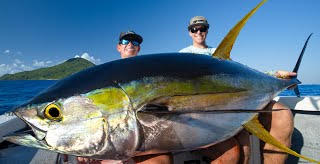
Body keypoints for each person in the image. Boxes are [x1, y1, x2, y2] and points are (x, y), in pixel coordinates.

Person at [179, 16, 295, 164]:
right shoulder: (183, 54)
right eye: (194, 29)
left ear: (207, 30)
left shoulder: (218, 53)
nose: (199, 32)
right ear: (189, 32)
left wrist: (275, 75)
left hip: (233, 104)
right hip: (208, 110)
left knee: (280, 116)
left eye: (203, 28)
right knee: (242, 148)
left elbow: (243, 76)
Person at [74, 31, 173, 164]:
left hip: (148, 136)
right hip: (113, 138)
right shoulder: (106, 76)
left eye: (135, 42)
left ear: (138, 48)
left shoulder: (151, 72)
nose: (130, 44)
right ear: (118, 47)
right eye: (126, 41)